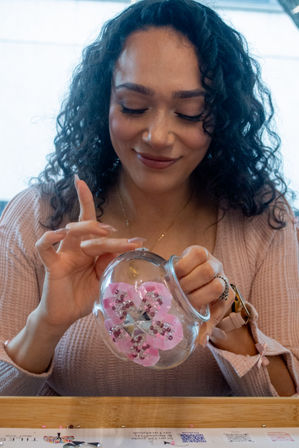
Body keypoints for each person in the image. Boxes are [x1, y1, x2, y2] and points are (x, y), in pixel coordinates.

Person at [0, 0, 298, 397]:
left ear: (221, 118)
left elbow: (290, 410)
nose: (158, 135)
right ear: (101, 103)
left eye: (189, 113)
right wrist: (47, 324)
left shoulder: (263, 217)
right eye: (134, 106)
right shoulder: (37, 216)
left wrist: (229, 318)